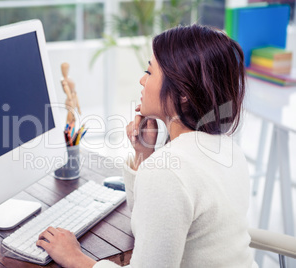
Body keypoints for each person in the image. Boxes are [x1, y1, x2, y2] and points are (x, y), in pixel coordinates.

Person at [36, 24, 257, 268]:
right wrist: (144, 153)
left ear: (182, 92)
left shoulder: (167, 172)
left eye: (149, 72)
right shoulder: (226, 148)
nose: (142, 80)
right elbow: (149, 225)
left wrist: (76, 259)